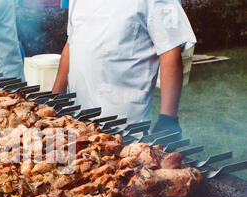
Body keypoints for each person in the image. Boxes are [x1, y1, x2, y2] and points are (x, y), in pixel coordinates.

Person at [52, 0, 196, 133]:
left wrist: (168, 118)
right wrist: (55, 97)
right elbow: (72, 42)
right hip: (75, 114)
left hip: (122, 120)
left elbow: (170, 50)